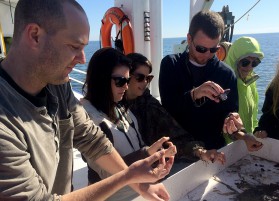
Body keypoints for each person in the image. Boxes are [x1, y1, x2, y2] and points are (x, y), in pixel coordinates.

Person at [0, 1, 174, 201]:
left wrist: (140, 185)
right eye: (75, 46)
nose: (83, 59)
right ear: (34, 35)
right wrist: (127, 176)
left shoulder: (57, 83)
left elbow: (91, 139)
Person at [80, 48, 177, 200]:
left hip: (138, 190)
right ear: (101, 79)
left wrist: (155, 156)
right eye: (121, 81)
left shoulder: (118, 105)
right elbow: (108, 173)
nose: (126, 86)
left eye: (127, 80)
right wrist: (148, 154)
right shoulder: (89, 121)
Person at [159, 10, 263, 151]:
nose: (207, 55)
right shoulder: (170, 64)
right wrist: (194, 94)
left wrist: (236, 126)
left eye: (214, 49)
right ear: (189, 39)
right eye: (201, 49)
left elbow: (228, 112)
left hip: (214, 151)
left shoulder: (226, 73)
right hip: (178, 151)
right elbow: (168, 109)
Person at [125, 52, 225, 166]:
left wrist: (200, 152)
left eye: (148, 78)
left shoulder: (148, 104)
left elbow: (172, 133)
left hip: (147, 169)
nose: (144, 82)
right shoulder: (108, 109)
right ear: (126, 76)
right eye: (140, 77)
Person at [224, 36, 264, 135]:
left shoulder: (251, 82)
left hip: (248, 142)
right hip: (229, 146)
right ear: (235, 60)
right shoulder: (224, 83)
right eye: (245, 62)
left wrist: (254, 134)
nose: (250, 67)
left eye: (255, 63)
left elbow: (254, 115)